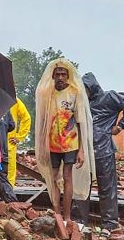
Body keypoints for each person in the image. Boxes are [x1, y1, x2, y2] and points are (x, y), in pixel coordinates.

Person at [75, 72, 124, 232]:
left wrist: (121, 126)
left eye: (85, 88)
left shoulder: (109, 97)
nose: (83, 92)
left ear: (92, 87)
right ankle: (79, 222)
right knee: (82, 186)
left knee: (107, 188)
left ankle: (110, 224)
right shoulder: (82, 103)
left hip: (104, 150)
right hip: (84, 152)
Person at [34, 59, 94, 225]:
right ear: (53, 76)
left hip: (70, 143)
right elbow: (42, 121)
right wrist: (41, 145)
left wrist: (81, 150)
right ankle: (57, 213)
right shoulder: (47, 94)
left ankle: (67, 216)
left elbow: (81, 122)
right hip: (52, 143)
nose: (60, 77)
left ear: (68, 76)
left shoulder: (75, 93)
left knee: (67, 176)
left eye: (63, 74)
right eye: (57, 74)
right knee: (53, 177)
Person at [7, 98, 31, 186]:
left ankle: (8, 192)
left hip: (8, 142)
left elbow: (26, 118)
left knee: (9, 171)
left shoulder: (13, 100)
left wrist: (19, 136)